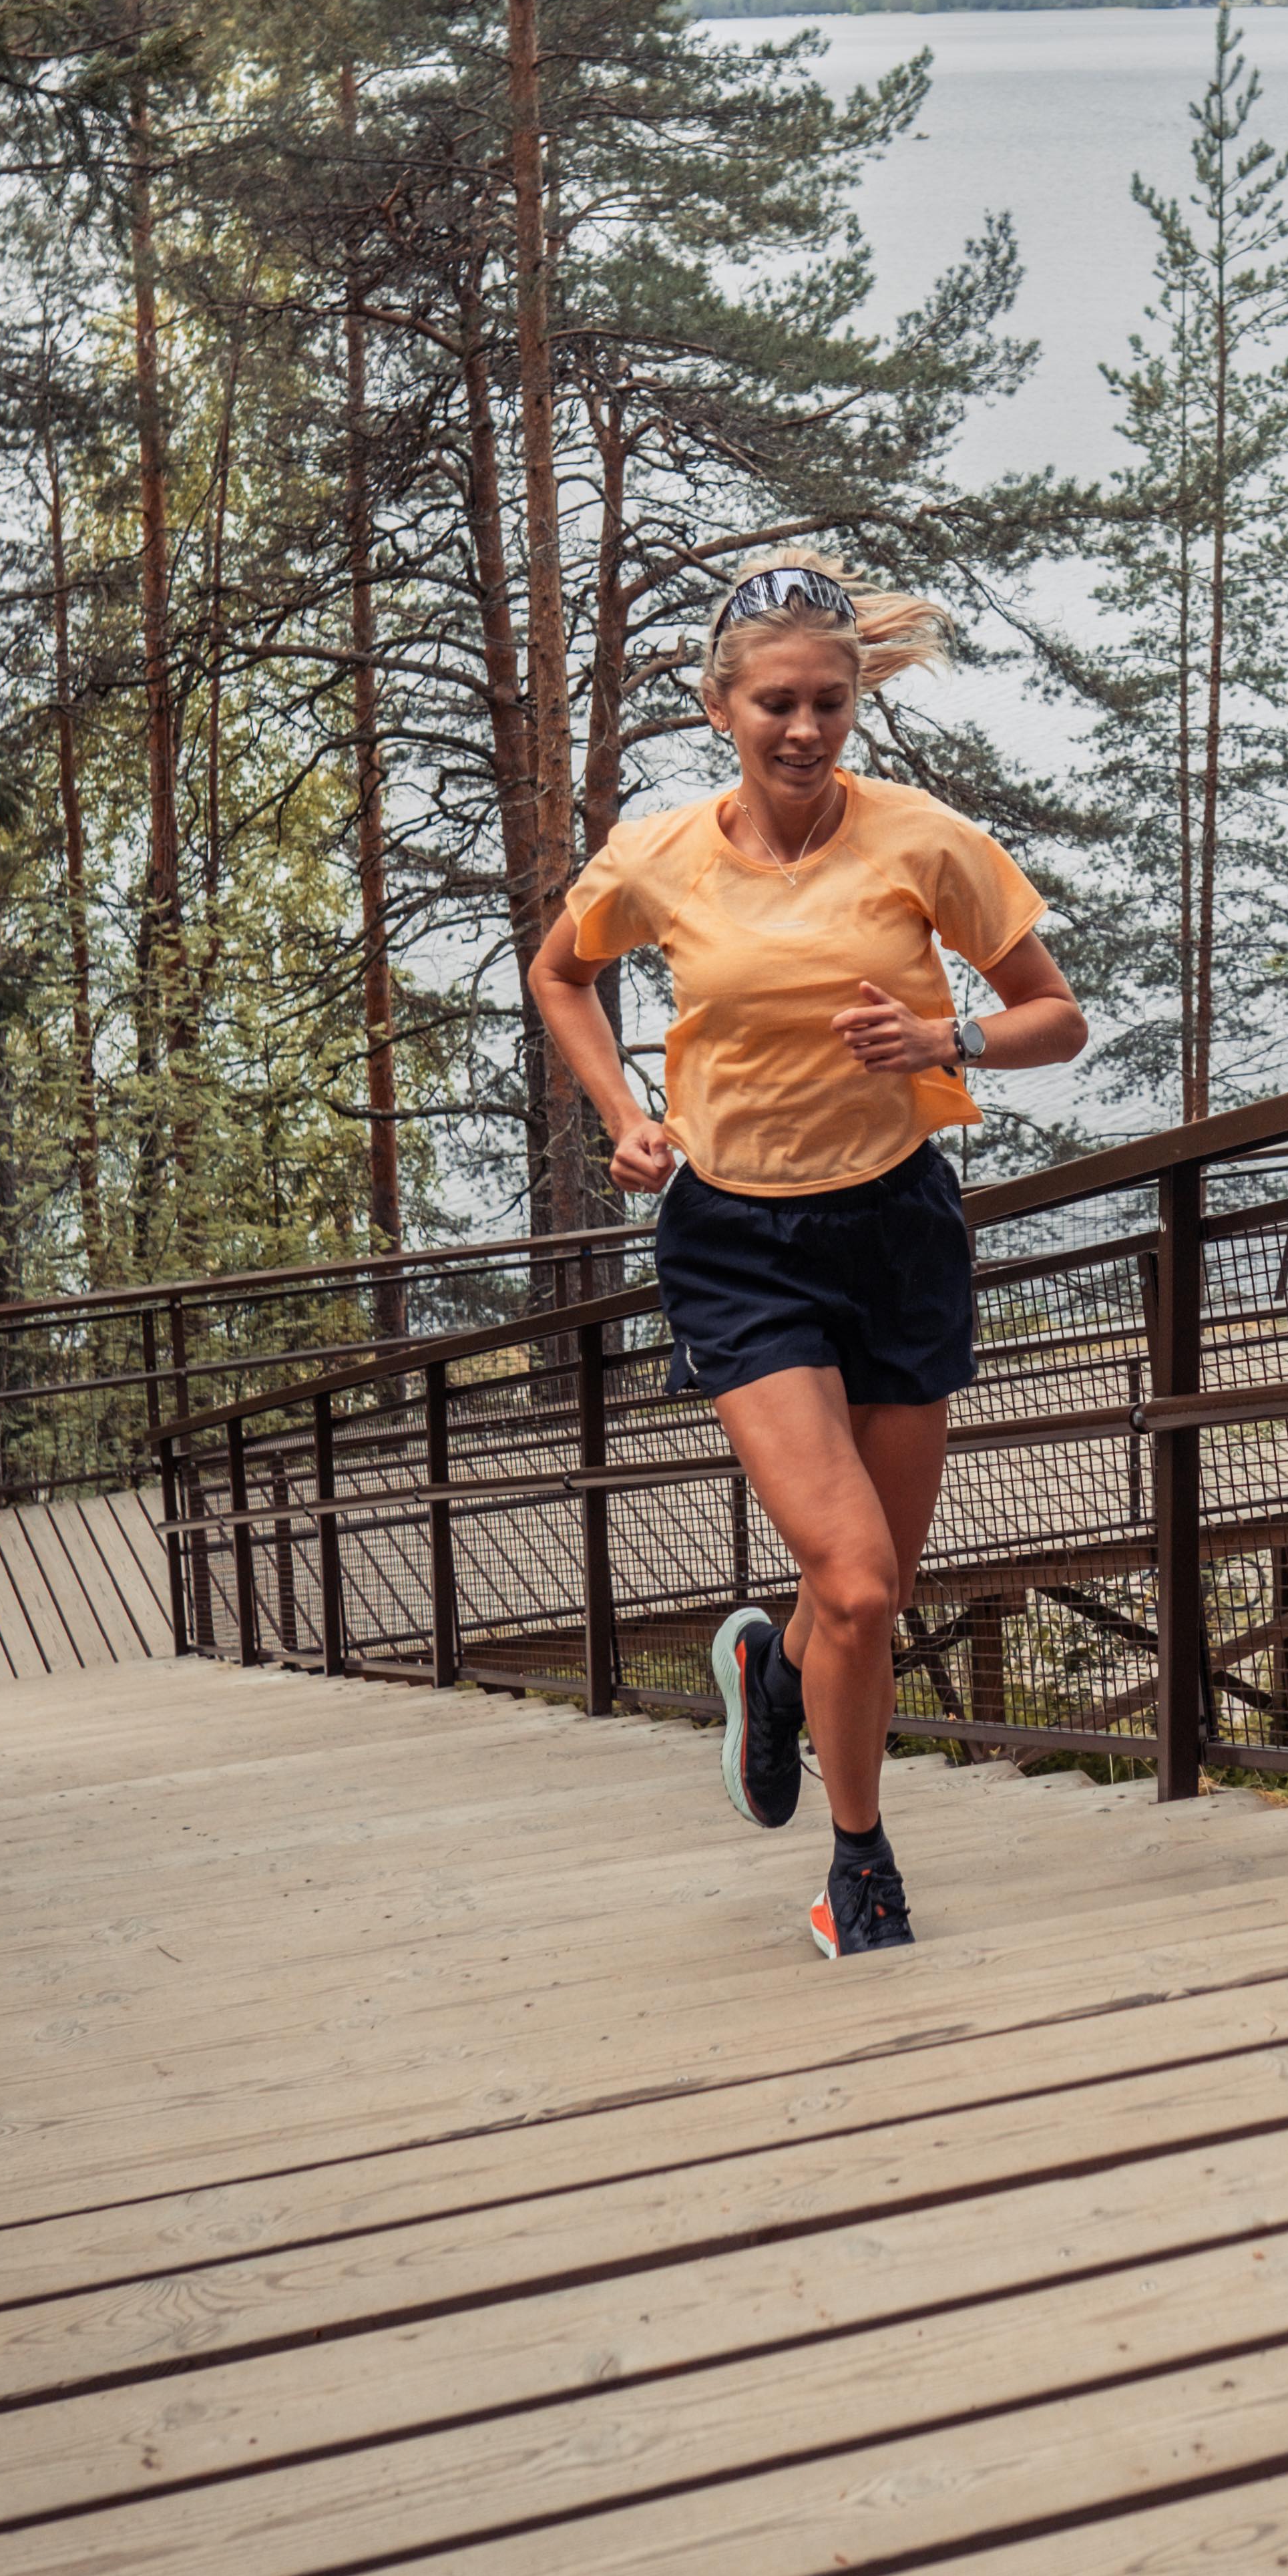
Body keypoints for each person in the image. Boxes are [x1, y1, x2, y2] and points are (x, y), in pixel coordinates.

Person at [529, 556, 1086, 1958]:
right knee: (850, 1577)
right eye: (774, 700)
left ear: (856, 703)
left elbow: (1054, 1016)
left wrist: (945, 1039)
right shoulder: (656, 858)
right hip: (736, 1240)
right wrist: (623, 1117)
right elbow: (559, 971)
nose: (802, 726)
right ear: (719, 704)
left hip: (896, 1225)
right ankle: (857, 1861)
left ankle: (770, 1669)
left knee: (872, 1590)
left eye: (827, 701)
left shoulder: (922, 842)